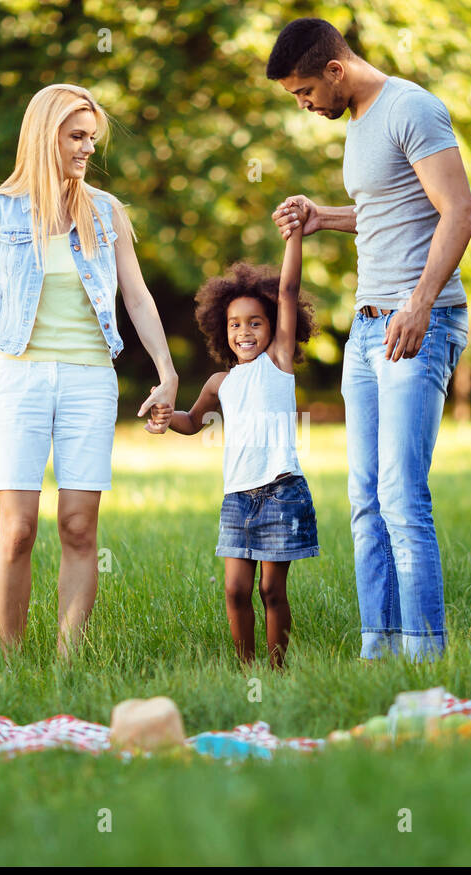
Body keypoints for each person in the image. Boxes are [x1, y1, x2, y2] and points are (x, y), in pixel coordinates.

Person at [266, 18, 471, 662]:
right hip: (366, 332)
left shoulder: (412, 108)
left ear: (335, 69)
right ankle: (379, 648)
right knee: (364, 499)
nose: (304, 107)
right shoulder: (357, 123)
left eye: (304, 92)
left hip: (419, 321)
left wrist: (418, 306)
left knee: (400, 495)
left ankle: (424, 652)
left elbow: (459, 212)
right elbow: (390, 208)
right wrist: (320, 216)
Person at [0, 84, 178, 659]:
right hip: (18, 378)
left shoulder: (106, 211)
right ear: (43, 134)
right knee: (18, 529)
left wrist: (167, 371)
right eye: (76, 137)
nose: (86, 150)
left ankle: (69, 664)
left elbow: (138, 296)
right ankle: (11, 663)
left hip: (89, 379)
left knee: (78, 527)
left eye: (91, 139)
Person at [166, 202, 319, 668]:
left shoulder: (278, 362)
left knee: (272, 589)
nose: (245, 331)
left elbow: (289, 290)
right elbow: (192, 422)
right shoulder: (221, 383)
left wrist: (294, 236)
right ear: (222, 329)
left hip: (280, 492)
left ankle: (276, 668)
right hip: (237, 497)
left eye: (255, 322)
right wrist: (161, 415)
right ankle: (245, 667)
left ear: (272, 326)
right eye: (235, 324)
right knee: (235, 589)